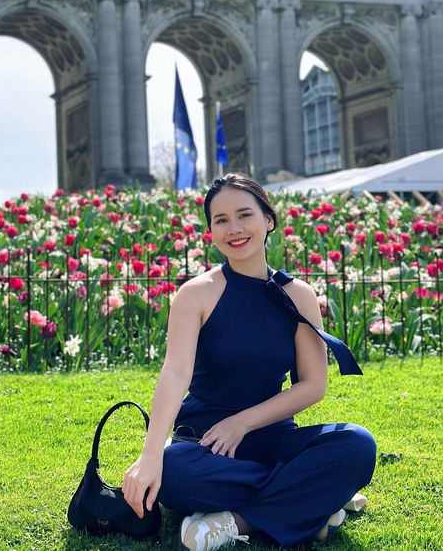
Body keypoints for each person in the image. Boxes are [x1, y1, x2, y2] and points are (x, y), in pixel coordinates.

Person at [122, 174, 376, 550]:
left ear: (268, 220)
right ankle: (316, 497)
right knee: (173, 472)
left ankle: (236, 521)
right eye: (221, 220)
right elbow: (175, 373)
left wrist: (241, 423)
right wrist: (150, 455)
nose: (234, 229)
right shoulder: (195, 294)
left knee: (357, 444)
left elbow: (313, 384)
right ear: (210, 231)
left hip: (273, 434)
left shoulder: (299, 295)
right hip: (205, 443)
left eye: (245, 215)